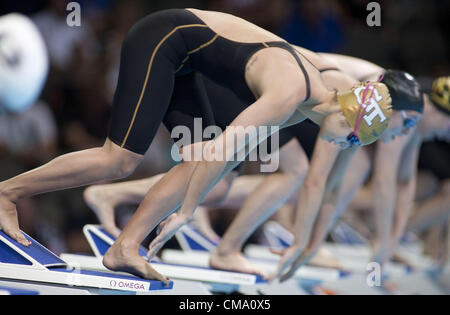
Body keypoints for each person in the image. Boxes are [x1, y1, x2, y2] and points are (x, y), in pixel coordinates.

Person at [0, 9, 392, 283]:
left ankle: (125, 246)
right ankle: (7, 193)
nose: (348, 146)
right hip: (162, 40)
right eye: (354, 139)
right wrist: (187, 210)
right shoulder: (289, 96)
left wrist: (196, 198)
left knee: (195, 163)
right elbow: (224, 149)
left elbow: (224, 157)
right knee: (118, 159)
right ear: (344, 118)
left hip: (187, 63)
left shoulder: (309, 104)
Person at [272, 76, 449, 282]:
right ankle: (287, 225)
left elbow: (404, 182)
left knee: (338, 184)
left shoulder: (409, 115)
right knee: (311, 178)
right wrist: (383, 242)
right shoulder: (395, 114)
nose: (447, 135)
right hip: (306, 94)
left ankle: (307, 236)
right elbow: (384, 180)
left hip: (334, 102)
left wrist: (391, 240)